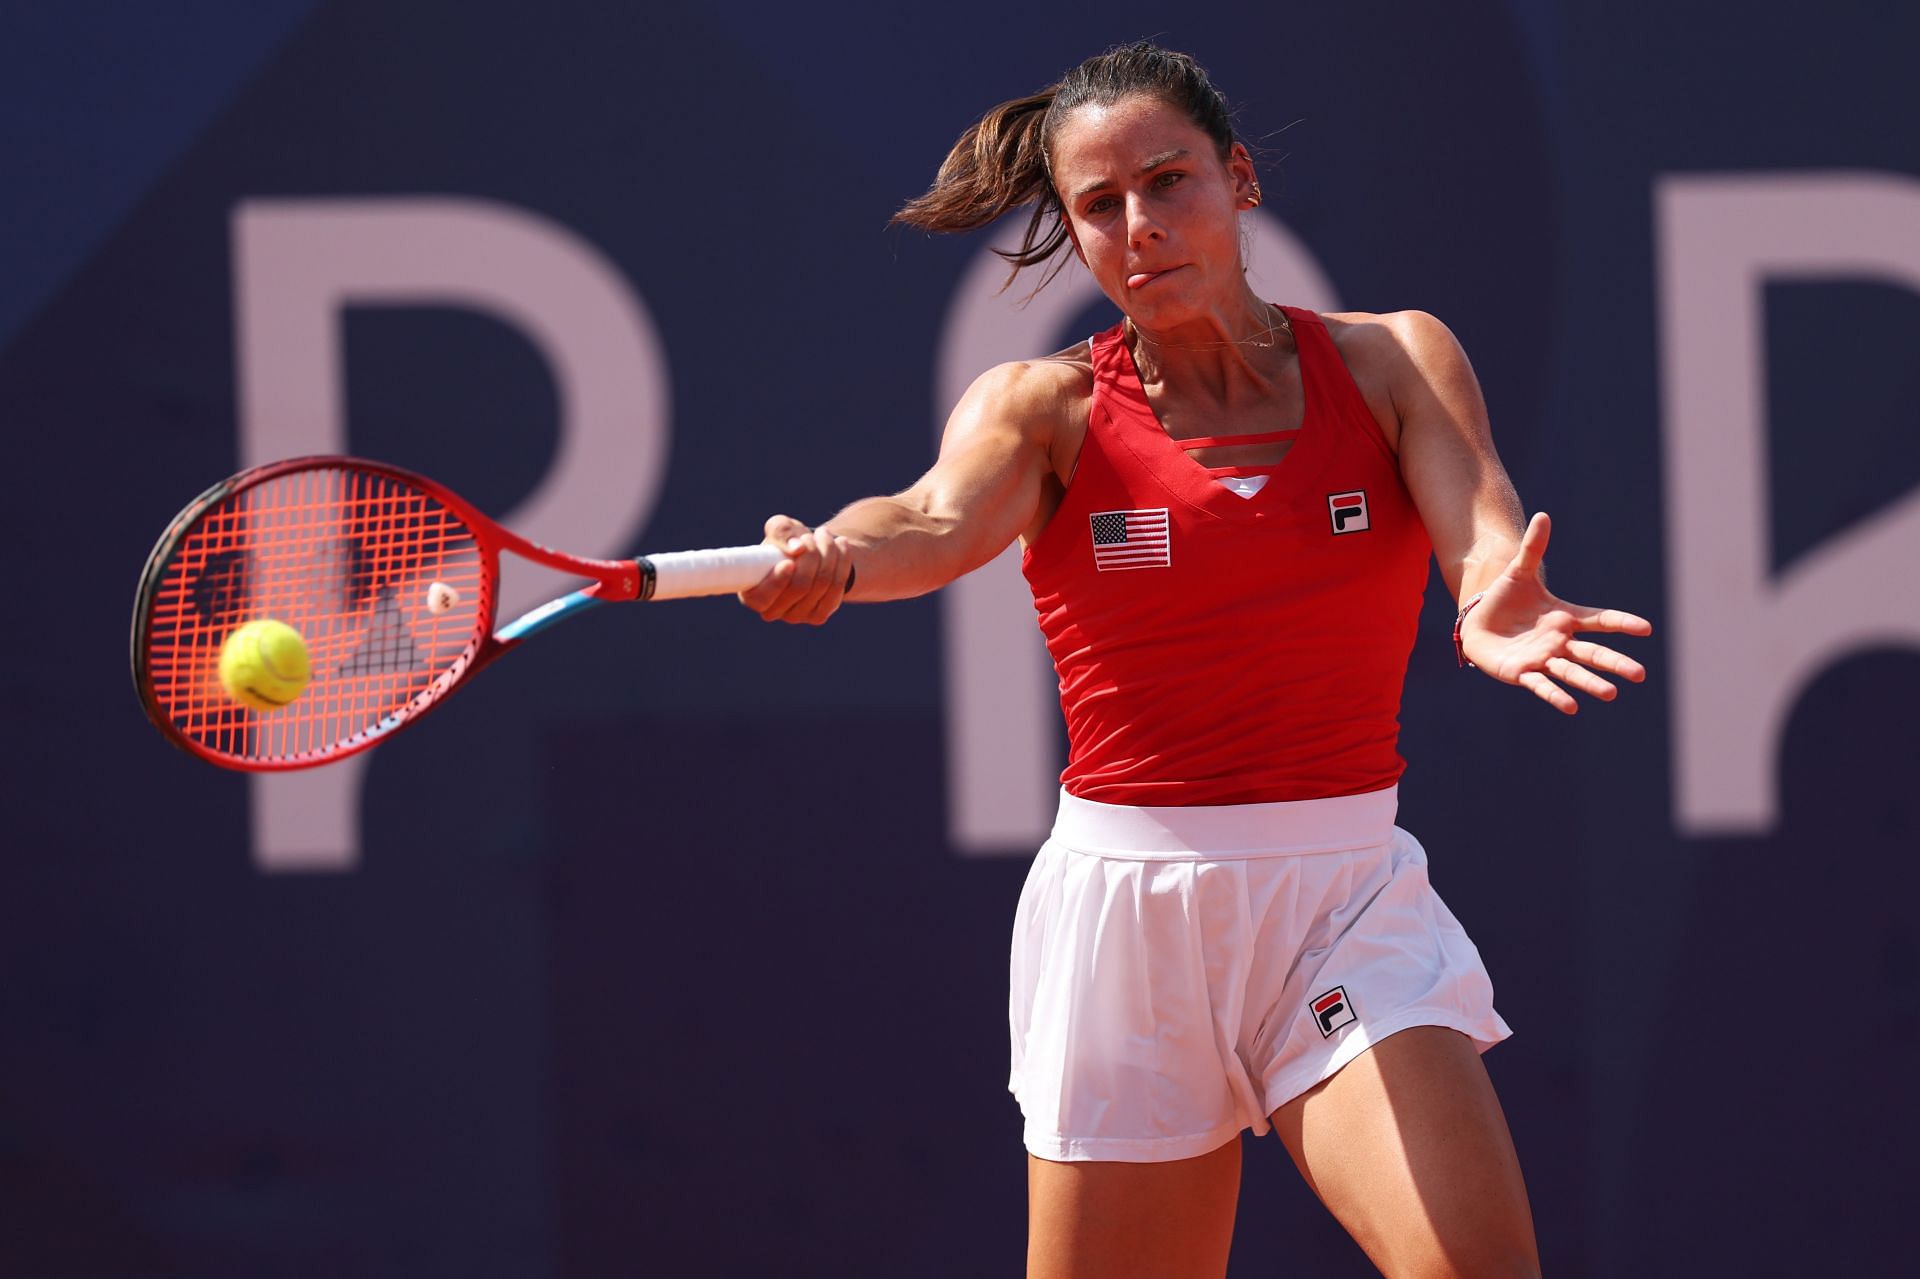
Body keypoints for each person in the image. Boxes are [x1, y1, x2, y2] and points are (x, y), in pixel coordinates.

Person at [739, 42, 1649, 1279]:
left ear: (1239, 179)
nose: (1139, 227)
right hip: (1126, 925)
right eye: (1099, 207)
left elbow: (1483, 535)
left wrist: (1492, 600)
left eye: (1168, 183)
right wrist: (837, 555)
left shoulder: (1391, 362)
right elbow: (931, 518)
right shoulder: (1043, 407)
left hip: (1344, 908)